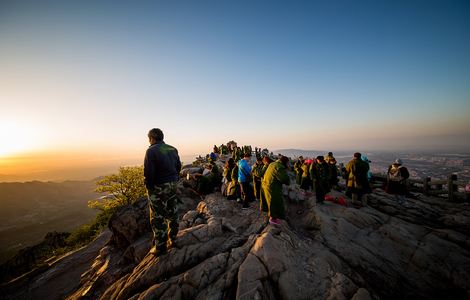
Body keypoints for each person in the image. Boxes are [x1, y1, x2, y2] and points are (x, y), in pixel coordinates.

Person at [144, 128, 181, 256]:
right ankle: (174, 239)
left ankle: (160, 247)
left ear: (152, 138)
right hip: (173, 184)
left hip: (158, 186)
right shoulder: (172, 149)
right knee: (173, 211)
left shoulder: (151, 151)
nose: (148, 141)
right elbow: (178, 167)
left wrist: (149, 188)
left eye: (149, 138)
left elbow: (149, 173)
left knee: (157, 215)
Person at [262, 155, 290, 225]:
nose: (288, 164)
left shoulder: (273, 163)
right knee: (273, 201)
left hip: (267, 184)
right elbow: (284, 179)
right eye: (288, 163)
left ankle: (278, 216)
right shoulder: (279, 167)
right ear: (285, 162)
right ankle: (273, 219)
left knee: (273, 201)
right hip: (272, 186)